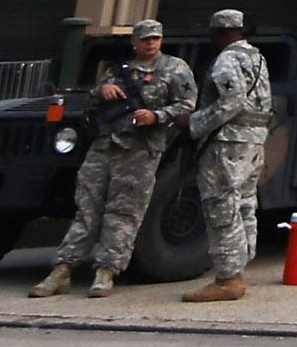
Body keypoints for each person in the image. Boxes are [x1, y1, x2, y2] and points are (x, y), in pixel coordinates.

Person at [29, 19, 197, 299]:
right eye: (145, 39)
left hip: (140, 150)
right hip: (105, 146)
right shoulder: (119, 70)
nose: (150, 43)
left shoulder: (175, 69)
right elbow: (91, 102)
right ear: (135, 42)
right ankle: (62, 269)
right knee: (87, 208)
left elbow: (187, 105)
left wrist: (156, 116)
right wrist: (102, 91)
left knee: (124, 212)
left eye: (155, 38)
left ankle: (106, 271)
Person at [182, 9, 272, 302]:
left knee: (221, 205)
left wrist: (195, 122)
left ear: (220, 33)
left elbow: (232, 101)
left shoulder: (227, 59)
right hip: (254, 142)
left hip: (228, 144)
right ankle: (239, 269)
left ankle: (228, 279)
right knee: (244, 203)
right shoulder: (257, 57)